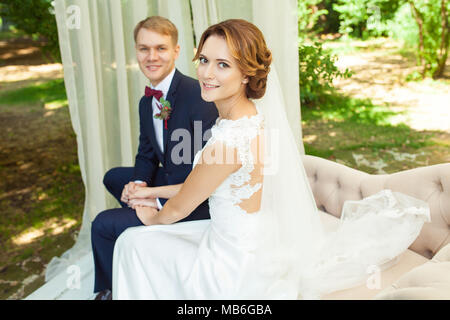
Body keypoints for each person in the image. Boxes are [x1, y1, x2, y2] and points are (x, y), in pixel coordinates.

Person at [111, 19, 430, 299]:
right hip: (251, 240)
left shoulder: (227, 142)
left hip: (231, 264)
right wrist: (151, 193)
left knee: (132, 243)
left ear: (247, 74)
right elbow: (205, 184)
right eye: (205, 60)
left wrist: (149, 217)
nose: (207, 73)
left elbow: (180, 207)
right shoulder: (251, 120)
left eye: (223, 65)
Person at [90, 16, 218, 300]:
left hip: (198, 197)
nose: (151, 56)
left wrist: (155, 200)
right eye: (143, 48)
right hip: (173, 177)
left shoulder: (198, 96)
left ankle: (111, 290)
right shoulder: (147, 101)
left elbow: (203, 178)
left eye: (160, 48)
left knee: (102, 224)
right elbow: (146, 153)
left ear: (176, 51)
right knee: (114, 178)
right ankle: (137, 218)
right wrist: (138, 184)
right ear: (136, 51)